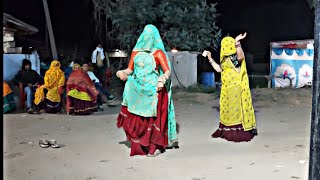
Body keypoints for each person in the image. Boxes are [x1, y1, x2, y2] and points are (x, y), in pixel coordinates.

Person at [116, 24, 178, 157]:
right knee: (137, 119)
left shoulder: (158, 52)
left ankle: (154, 146)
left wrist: (162, 80)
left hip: (154, 89)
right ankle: (140, 144)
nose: (149, 38)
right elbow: (130, 70)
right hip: (138, 89)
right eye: (147, 35)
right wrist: (121, 72)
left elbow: (167, 71)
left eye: (152, 36)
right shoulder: (136, 52)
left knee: (154, 120)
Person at [204, 32, 257, 142]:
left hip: (236, 88)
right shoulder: (224, 60)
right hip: (226, 89)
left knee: (235, 110)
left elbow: (241, 57)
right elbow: (219, 69)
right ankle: (227, 129)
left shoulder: (233, 58)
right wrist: (210, 58)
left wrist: (237, 43)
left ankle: (236, 131)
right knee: (227, 109)